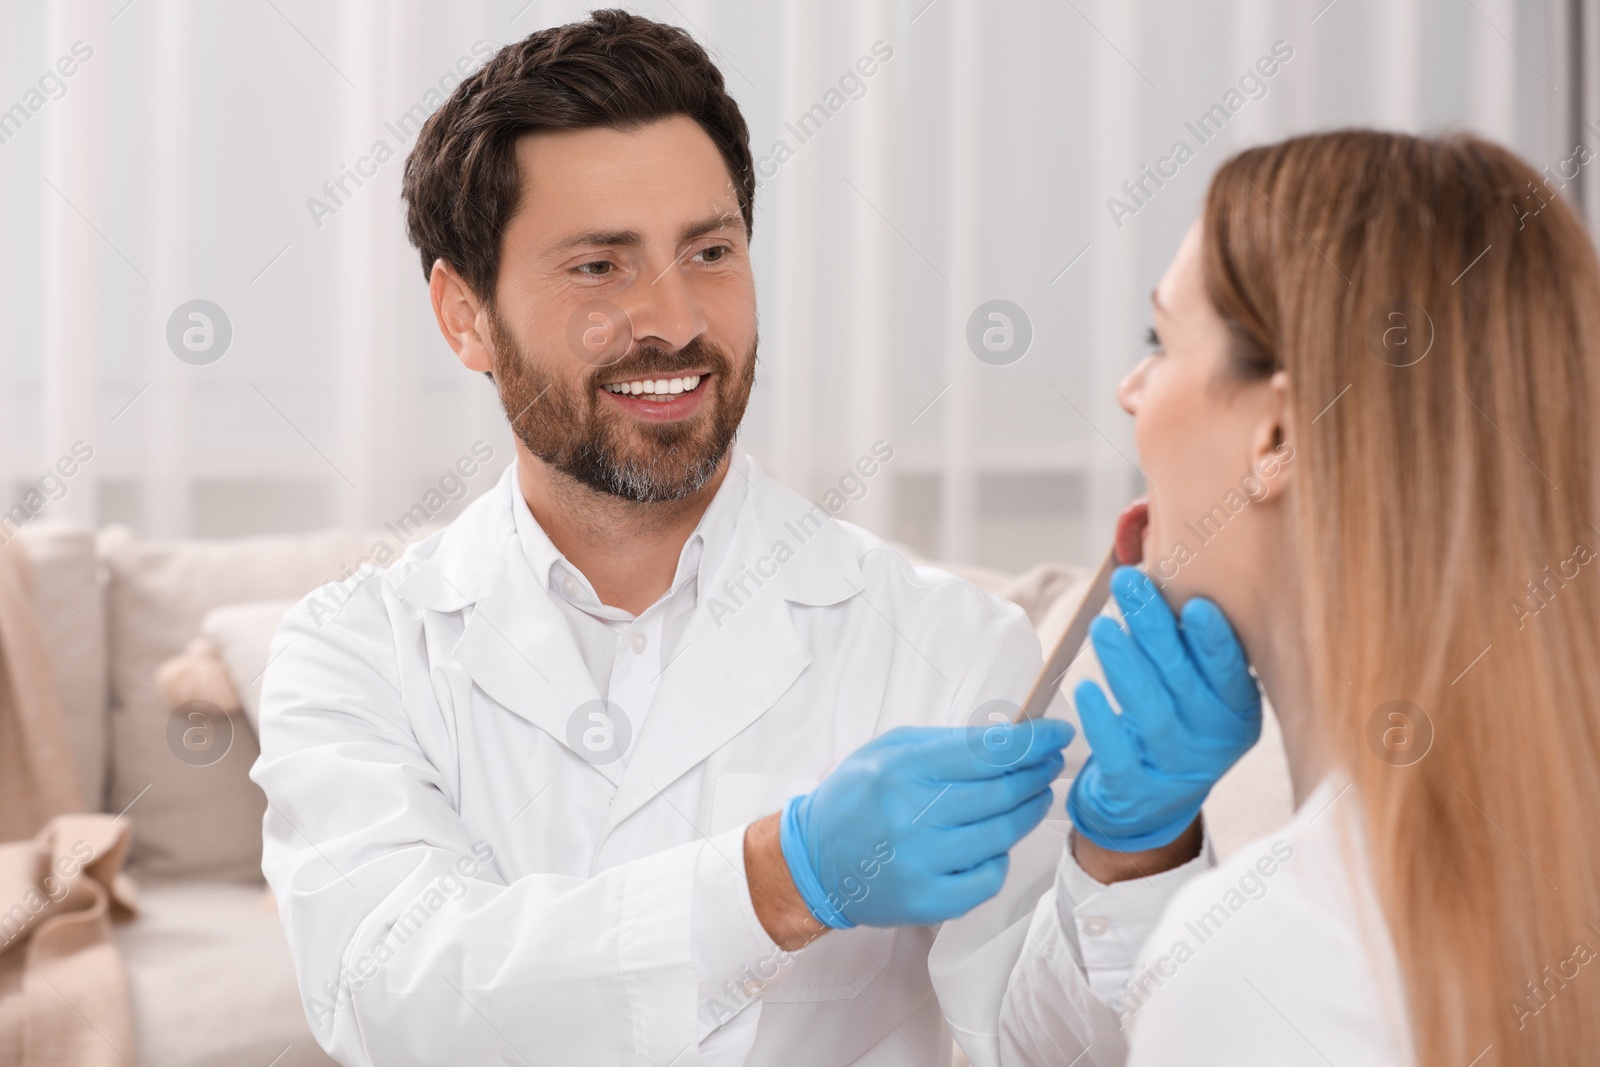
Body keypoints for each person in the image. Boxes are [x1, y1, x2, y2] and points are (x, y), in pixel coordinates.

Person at [249, 11, 1256, 1066]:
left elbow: (1039, 1047)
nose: (675, 319)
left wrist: (1132, 853)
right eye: (599, 265)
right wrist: (785, 875)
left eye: (710, 250)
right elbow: (389, 993)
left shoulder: (948, 643)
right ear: (464, 316)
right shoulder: (356, 649)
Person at [959, 131, 1600, 1066]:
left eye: (1159, 340)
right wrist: (1138, 861)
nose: (1130, 391)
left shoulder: (1269, 954)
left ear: (1276, 435)